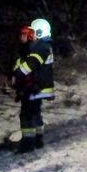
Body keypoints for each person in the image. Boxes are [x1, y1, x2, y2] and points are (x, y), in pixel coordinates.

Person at [13, 19, 54, 153]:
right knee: (35, 113)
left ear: (40, 32)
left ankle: (28, 143)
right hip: (39, 86)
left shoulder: (42, 47)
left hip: (37, 87)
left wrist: (18, 74)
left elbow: (30, 65)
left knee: (27, 115)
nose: (31, 35)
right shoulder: (42, 45)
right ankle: (38, 139)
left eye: (33, 32)